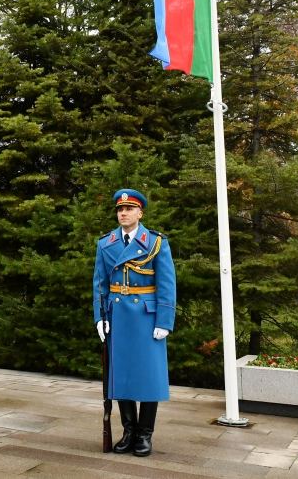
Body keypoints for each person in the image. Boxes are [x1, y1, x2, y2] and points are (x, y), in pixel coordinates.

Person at [92, 189, 176, 457]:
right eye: (120, 209)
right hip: (118, 317)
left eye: (129, 209)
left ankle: (145, 434)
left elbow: (166, 284)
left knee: (149, 377)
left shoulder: (156, 243)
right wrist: (100, 317)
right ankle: (128, 431)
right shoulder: (105, 244)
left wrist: (164, 320)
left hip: (147, 317)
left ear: (140, 213)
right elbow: (100, 285)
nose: (123, 213)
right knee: (122, 376)